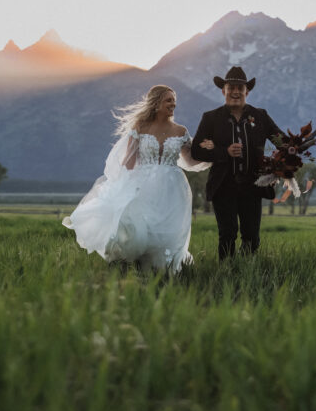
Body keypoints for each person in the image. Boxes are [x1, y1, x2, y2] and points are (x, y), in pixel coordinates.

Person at [63, 85, 209, 272]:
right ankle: (136, 264)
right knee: (140, 224)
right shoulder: (141, 127)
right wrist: (121, 185)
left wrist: (210, 152)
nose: (173, 104)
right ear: (156, 103)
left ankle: (163, 267)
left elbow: (189, 160)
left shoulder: (181, 131)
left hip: (173, 186)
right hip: (144, 182)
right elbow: (129, 160)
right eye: (168, 100)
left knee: (168, 226)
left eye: (174, 100)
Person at [191, 66, 283, 260]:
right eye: (231, 87)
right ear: (223, 90)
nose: (235, 92)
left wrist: (281, 164)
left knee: (252, 237)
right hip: (223, 185)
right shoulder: (211, 118)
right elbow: (196, 150)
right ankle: (226, 273)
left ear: (247, 92)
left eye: (240, 88)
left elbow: (281, 142)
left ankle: (245, 272)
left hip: (253, 185)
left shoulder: (260, 116)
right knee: (227, 234)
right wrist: (223, 151)